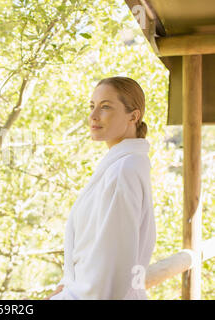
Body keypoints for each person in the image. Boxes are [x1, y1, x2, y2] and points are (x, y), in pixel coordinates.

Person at [46, 76, 156, 300]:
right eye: (92, 106)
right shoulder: (120, 165)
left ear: (133, 116)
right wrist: (67, 285)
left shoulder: (124, 170)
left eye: (105, 107)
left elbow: (110, 269)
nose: (93, 116)